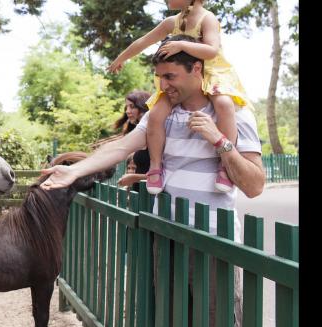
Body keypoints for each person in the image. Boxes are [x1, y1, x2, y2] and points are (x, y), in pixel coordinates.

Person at [41, 35, 265, 327]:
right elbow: (121, 147)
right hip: (169, 238)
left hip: (215, 243)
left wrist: (218, 140)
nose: (163, 84)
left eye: (170, 76)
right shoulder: (159, 116)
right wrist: (74, 172)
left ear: (197, 69)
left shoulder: (234, 112)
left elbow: (255, 184)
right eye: (159, 77)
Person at [108, 0, 251, 195]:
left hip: (210, 74)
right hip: (182, 79)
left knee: (224, 104)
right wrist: (121, 58)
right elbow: (143, 41)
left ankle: (224, 166)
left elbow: (212, 50)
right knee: (156, 114)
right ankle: (156, 166)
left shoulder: (206, 18)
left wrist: (181, 44)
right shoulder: (171, 22)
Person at [113, 90, 151, 192]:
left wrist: (134, 178)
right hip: (140, 197)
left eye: (132, 106)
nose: (127, 111)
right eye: (127, 107)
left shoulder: (153, 134)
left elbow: (162, 176)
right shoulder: (139, 135)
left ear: (143, 107)